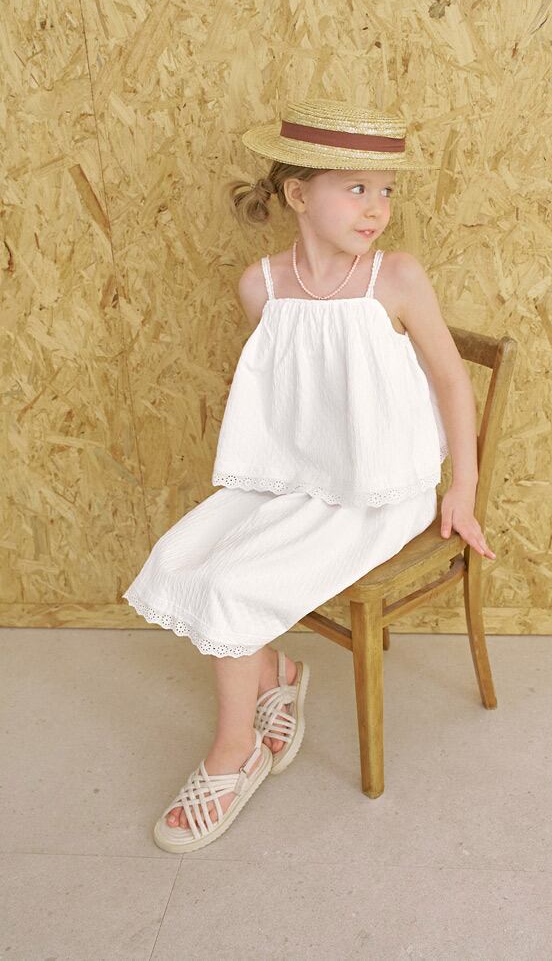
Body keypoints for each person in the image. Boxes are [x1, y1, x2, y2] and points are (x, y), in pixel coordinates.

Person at [122, 97, 496, 854]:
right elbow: (299, 393)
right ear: (298, 194)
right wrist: (283, 476)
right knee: (181, 558)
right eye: (355, 188)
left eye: (385, 190)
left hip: (380, 491)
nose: (377, 207)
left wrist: (461, 488)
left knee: (231, 587)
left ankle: (235, 754)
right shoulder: (260, 286)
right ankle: (278, 674)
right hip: (294, 477)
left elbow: (452, 382)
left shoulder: (395, 277)